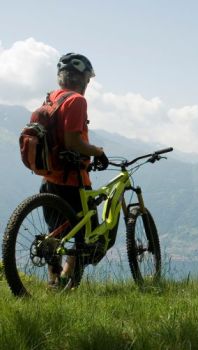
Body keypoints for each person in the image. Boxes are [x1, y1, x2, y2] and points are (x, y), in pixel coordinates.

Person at [40, 53, 108, 287]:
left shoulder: (51, 97)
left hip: (49, 177)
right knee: (88, 239)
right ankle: (68, 284)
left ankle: (53, 283)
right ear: (82, 79)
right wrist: (98, 152)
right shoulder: (77, 101)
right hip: (73, 181)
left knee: (55, 233)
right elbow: (73, 143)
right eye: (88, 79)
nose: (88, 83)